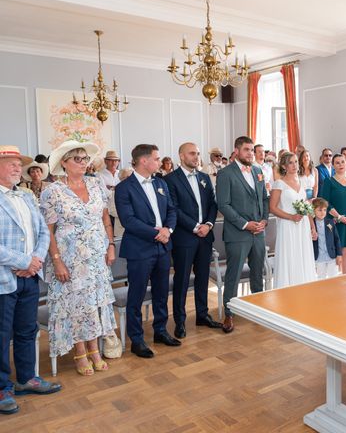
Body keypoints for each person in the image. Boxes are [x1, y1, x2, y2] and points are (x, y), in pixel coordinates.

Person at [40, 140, 117, 376]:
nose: (83, 163)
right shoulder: (52, 191)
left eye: (85, 159)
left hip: (96, 257)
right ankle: (80, 352)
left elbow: (105, 220)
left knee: (94, 303)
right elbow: (48, 230)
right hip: (69, 259)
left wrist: (111, 245)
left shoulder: (95, 184)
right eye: (77, 159)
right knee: (75, 307)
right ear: (64, 163)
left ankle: (95, 349)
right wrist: (57, 260)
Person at [0, 145, 60, 415]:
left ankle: (26, 379)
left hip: (29, 277)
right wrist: (23, 262)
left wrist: (35, 260)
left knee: (27, 330)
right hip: (4, 278)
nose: (17, 167)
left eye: (18, 163)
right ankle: (2, 388)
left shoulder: (25, 197)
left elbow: (42, 231)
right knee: (1, 337)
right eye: (11, 163)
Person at [114, 144, 180, 358]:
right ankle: (137, 338)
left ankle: (160, 330)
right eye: (156, 158)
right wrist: (156, 233)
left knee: (162, 292)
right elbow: (128, 220)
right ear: (144, 161)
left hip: (163, 246)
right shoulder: (124, 187)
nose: (159, 162)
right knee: (137, 294)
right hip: (140, 249)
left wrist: (168, 230)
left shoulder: (161, 183)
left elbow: (171, 210)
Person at [165, 143, 221, 339]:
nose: (196, 157)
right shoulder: (170, 179)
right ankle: (180, 321)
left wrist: (208, 224)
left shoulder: (204, 178)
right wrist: (195, 227)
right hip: (184, 237)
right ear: (181, 156)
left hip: (205, 237)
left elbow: (213, 205)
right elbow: (173, 208)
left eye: (197, 154)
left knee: (203, 277)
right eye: (192, 154)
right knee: (181, 280)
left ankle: (202, 314)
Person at [216, 136, 270, 334]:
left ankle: (258, 308)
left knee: (258, 272)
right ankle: (229, 313)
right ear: (237, 151)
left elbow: (264, 198)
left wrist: (264, 220)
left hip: (259, 232)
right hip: (238, 233)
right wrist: (245, 224)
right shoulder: (225, 174)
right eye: (246, 150)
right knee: (234, 274)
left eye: (252, 150)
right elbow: (223, 205)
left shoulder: (258, 171)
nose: (250, 153)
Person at [269, 152, 316, 288]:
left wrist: (312, 227)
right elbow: (272, 208)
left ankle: (304, 289)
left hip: (302, 226)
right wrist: (291, 217)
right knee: (290, 257)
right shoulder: (279, 183)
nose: (294, 165)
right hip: (288, 226)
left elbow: (306, 206)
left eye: (296, 161)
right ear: (284, 166)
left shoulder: (300, 181)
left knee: (303, 256)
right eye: (290, 162)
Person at [320, 154, 346, 273]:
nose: (340, 165)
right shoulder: (329, 181)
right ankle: (338, 281)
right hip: (336, 222)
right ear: (333, 165)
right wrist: (339, 217)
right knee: (338, 253)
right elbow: (326, 203)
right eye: (337, 163)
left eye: (342, 162)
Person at [312, 198, 342, 279]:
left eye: (325, 210)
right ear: (313, 210)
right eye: (320, 210)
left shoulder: (330, 222)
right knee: (321, 278)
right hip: (319, 257)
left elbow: (337, 239)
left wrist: (339, 254)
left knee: (334, 277)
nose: (323, 213)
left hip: (331, 256)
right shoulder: (311, 224)